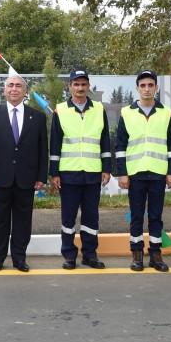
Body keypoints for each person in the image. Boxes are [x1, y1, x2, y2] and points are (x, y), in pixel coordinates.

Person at [0, 73, 48, 272]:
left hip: (27, 178)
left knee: (23, 221)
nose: (14, 89)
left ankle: (19, 258)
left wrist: (41, 176)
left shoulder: (38, 117)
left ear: (25, 92)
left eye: (18, 86)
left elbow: (43, 150)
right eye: (10, 85)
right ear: (4, 90)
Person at [49, 68, 112, 270]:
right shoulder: (61, 110)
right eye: (76, 84)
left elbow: (105, 141)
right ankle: (69, 255)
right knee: (68, 217)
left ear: (88, 86)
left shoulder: (99, 109)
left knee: (91, 217)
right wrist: (54, 172)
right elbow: (55, 144)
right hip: (69, 173)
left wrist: (106, 168)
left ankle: (90, 254)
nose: (80, 88)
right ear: (70, 86)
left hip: (93, 173)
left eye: (83, 84)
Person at [115, 70, 171, 272]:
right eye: (143, 85)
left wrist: (170, 171)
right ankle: (137, 254)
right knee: (136, 215)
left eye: (151, 85)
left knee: (156, 215)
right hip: (135, 173)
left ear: (156, 88)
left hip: (158, 172)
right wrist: (122, 173)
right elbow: (120, 146)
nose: (147, 89)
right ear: (137, 88)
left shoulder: (166, 113)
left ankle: (156, 255)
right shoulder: (127, 112)